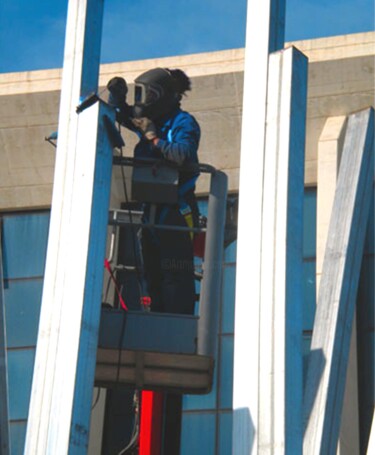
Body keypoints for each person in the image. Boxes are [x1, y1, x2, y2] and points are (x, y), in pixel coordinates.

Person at [107, 68, 200, 315]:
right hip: (150, 211)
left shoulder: (183, 122)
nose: (143, 102)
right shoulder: (153, 122)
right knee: (151, 274)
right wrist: (117, 97)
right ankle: (156, 316)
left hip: (177, 211)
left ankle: (176, 323)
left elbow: (181, 154)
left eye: (147, 95)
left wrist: (153, 139)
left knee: (175, 273)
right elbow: (123, 115)